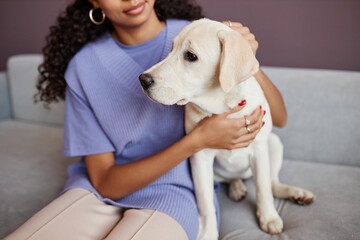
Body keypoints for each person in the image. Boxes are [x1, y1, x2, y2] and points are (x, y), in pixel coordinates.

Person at [5, 0, 287, 239]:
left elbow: (279, 118)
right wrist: (197, 140)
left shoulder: (195, 34)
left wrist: (241, 56)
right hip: (96, 191)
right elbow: (103, 181)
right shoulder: (83, 67)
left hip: (177, 191)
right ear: (93, 1)